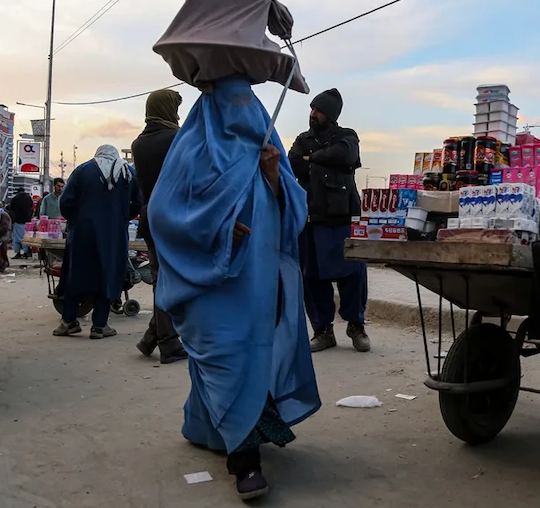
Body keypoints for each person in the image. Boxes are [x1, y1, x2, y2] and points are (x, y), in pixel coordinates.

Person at [149, 77, 320, 499]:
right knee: (224, 357)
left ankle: (207, 427)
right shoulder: (192, 148)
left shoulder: (267, 149)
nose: (239, 109)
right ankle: (245, 462)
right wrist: (220, 229)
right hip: (211, 281)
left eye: (248, 101)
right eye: (230, 101)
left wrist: (275, 176)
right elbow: (163, 211)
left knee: (248, 357)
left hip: (258, 283)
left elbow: (295, 213)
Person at [288, 88, 369, 353]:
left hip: (342, 217)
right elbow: (293, 164)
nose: (313, 114)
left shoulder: (347, 136)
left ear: (331, 114)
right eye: (312, 109)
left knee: (353, 273)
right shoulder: (303, 139)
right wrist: (318, 162)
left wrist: (313, 160)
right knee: (312, 276)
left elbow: (346, 156)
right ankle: (323, 330)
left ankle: (356, 325)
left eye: (319, 110)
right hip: (311, 218)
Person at [53, 146, 142, 340]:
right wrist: (122, 218)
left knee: (75, 274)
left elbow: (65, 202)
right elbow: (138, 202)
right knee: (107, 274)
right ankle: (100, 326)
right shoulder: (128, 173)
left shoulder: (83, 170)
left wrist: (76, 220)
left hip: (82, 234)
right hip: (113, 235)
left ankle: (68, 322)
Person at [131, 89, 188, 365]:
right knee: (172, 282)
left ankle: (152, 336)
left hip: (150, 218)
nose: (178, 113)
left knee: (161, 280)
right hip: (175, 217)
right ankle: (168, 343)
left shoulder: (139, 143)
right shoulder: (176, 139)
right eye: (175, 107)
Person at [9, 188, 34, 259]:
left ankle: (18, 253)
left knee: (17, 239)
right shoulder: (29, 198)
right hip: (27, 222)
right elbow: (31, 208)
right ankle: (26, 252)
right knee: (26, 238)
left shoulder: (15, 198)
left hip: (18, 221)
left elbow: (11, 208)